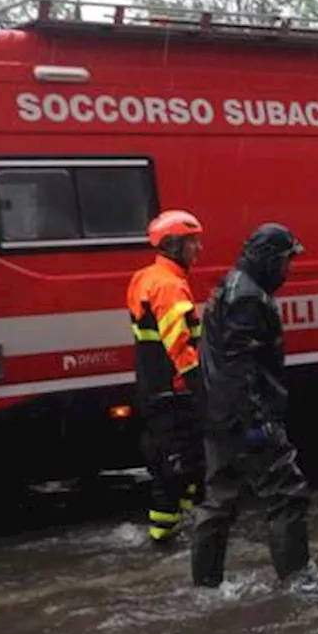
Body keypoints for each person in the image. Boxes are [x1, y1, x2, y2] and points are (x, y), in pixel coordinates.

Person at [191, 223, 313, 589]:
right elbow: (239, 366)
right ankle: (299, 584)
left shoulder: (229, 286)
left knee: (219, 498)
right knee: (287, 493)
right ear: (269, 260)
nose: (289, 270)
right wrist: (257, 422)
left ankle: (205, 587)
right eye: (287, 262)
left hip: (219, 413)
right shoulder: (247, 296)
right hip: (243, 414)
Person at [126, 209, 206, 545]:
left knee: (176, 459)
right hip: (172, 389)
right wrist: (199, 384)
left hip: (153, 386)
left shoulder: (145, 277)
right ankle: (165, 537)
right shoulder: (169, 286)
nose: (198, 250)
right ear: (173, 246)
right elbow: (179, 344)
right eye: (192, 243)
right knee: (179, 462)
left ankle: (181, 525)